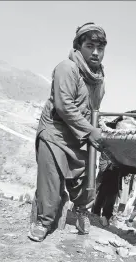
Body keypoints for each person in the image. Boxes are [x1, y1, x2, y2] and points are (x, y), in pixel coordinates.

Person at [28, 22, 107, 242]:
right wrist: (90, 130)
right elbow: (64, 106)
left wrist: (98, 128)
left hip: (77, 135)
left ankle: (82, 213)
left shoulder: (98, 77)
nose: (95, 52)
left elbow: (94, 109)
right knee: (50, 184)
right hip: (54, 132)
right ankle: (43, 222)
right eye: (90, 46)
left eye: (100, 48)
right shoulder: (67, 68)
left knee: (85, 180)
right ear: (79, 46)